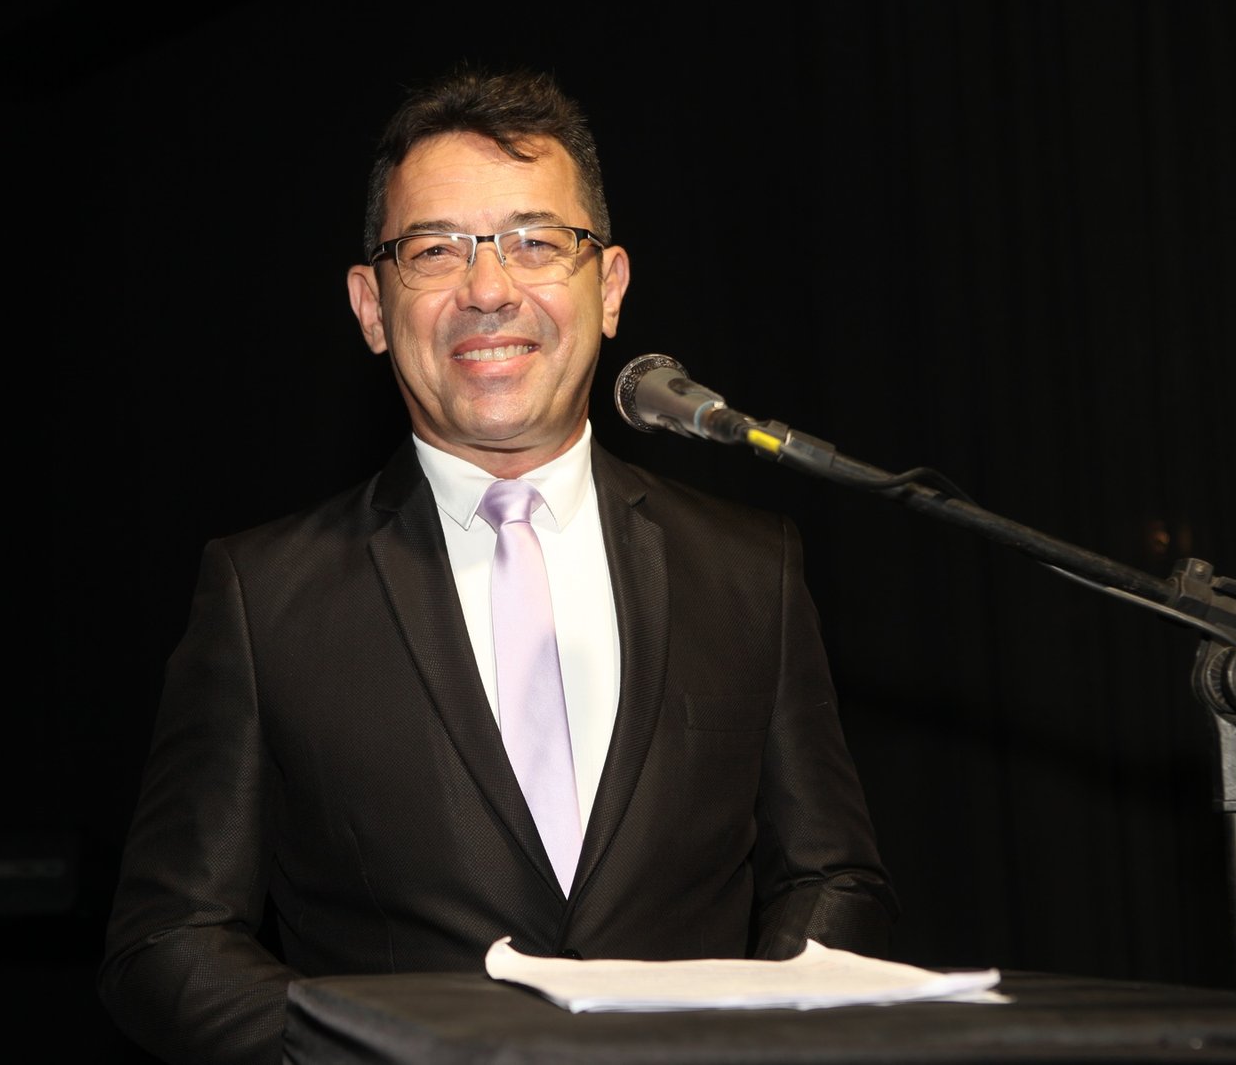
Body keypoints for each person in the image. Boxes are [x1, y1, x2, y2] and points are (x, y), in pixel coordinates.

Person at [98, 64, 898, 1064]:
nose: (487, 289)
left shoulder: (748, 570)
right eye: (435, 250)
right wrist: (370, 1047)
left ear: (609, 287)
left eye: (536, 242)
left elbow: (831, 877)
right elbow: (166, 941)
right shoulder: (263, 597)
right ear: (372, 307)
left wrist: (755, 1033)